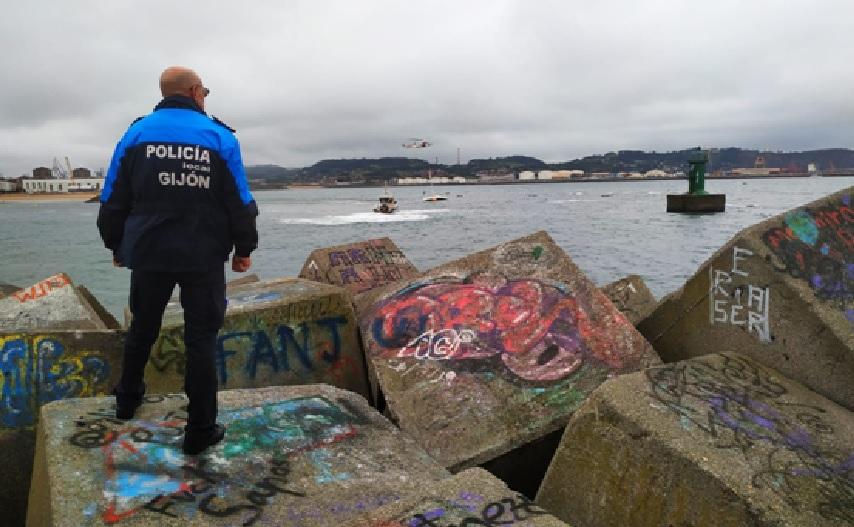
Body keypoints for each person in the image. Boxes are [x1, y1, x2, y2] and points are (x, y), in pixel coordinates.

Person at [97, 66, 258, 455]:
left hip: (149, 253)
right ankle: (200, 429)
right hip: (203, 255)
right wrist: (244, 249)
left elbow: (113, 198)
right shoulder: (219, 137)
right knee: (200, 339)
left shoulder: (136, 133)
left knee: (143, 328)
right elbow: (239, 200)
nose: (206, 96)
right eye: (205, 90)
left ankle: (127, 399)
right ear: (194, 91)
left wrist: (116, 245)